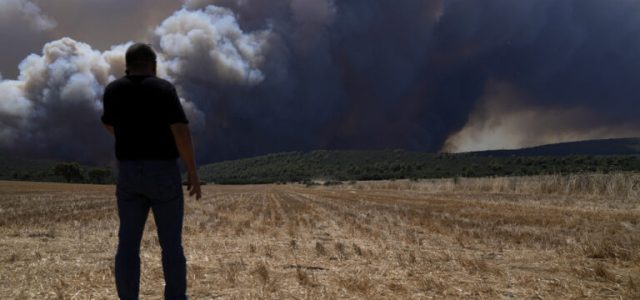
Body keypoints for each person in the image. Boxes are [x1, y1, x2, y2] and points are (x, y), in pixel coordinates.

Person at [101, 43, 201, 300]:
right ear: (153, 66)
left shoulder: (113, 90)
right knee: (171, 246)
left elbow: (109, 126)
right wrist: (192, 171)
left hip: (129, 173)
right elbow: (180, 131)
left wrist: (130, 135)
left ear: (127, 66)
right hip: (163, 172)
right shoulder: (164, 89)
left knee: (127, 246)